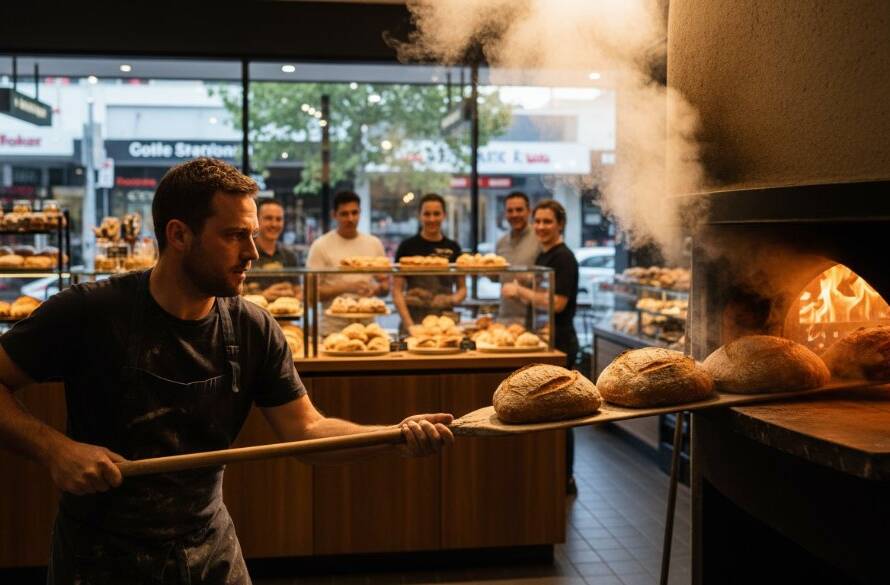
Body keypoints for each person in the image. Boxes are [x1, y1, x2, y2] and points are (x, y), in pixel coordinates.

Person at [0, 158, 453, 584]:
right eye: (235, 235)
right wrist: (56, 450)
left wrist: (393, 435)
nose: (253, 252)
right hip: (100, 557)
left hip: (209, 552)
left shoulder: (252, 327)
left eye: (253, 234)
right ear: (179, 235)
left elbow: (308, 431)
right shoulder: (91, 312)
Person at [501, 199, 579, 495]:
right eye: (539, 222)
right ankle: (550, 471)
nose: (542, 227)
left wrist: (519, 290)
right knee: (546, 407)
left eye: (548, 221)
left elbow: (557, 304)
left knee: (563, 411)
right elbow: (542, 295)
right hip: (545, 340)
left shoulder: (563, 258)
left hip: (560, 342)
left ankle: (565, 477)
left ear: (560, 224)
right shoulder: (545, 256)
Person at [306, 190, 389, 335]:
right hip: (332, 330)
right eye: (344, 214)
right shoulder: (320, 245)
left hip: (367, 330)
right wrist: (348, 287)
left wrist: (377, 289)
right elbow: (311, 295)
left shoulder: (374, 243)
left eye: (354, 213)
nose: (350, 218)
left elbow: (385, 286)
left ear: (360, 212)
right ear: (334, 215)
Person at [392, 193, 466, 331]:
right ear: (420, 216)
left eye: (436, 214)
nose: (432, 219)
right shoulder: (407, 246)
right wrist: (409, 324)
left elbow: (462, 289)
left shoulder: (453, 247)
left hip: (445, 322)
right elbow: (397, 290)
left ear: (444, 215)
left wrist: (451, 299)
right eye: (427, 214)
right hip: (413, 318)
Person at [494, 191, 541, 325]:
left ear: (529, 211)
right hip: (504, 317)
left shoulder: (540, 239)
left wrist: (529, 277)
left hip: (532, 320)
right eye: (510, 211)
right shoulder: (501, 243)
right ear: (505, 214)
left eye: (519, 210)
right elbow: (497, 277)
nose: (514, 214)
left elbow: (547, 278)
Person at [251, 198, 299, 301]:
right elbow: (233, 298)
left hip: (285, 315)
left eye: (279, 219)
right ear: (257, 220)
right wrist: (262, 296)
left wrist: (291, 294)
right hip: (250, 316)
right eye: (268, 218)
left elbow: (298, 292)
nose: (274, 224)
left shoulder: (290, 256)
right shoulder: (246, 253)